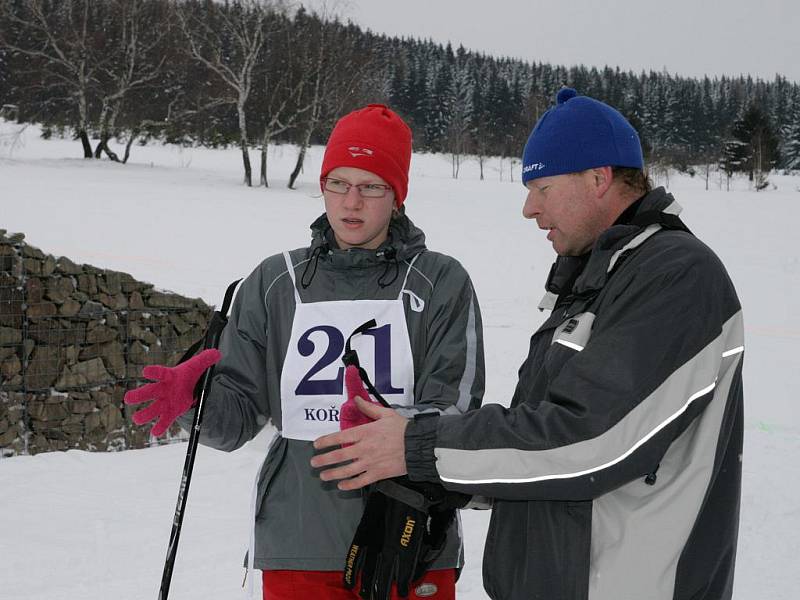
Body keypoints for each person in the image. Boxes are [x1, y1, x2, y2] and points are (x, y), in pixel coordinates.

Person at [311, 88, 744, 600]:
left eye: (541, 186)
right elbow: (538, 448)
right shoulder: (594, 280)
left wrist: (418, 447)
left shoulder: (676, 276)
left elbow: (592, 444)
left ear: (598, 178)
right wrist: (431, 481)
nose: (528, 208)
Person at [124, 104, 485, 600]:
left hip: (407, 537)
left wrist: (390, 428)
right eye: (338, 183)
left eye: (371, 186)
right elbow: (237, 421)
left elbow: (456, 412)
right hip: (298, 540)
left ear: (397, 196)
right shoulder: (274, 282)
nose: (351, 201)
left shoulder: (441, 281)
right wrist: (195, 401)